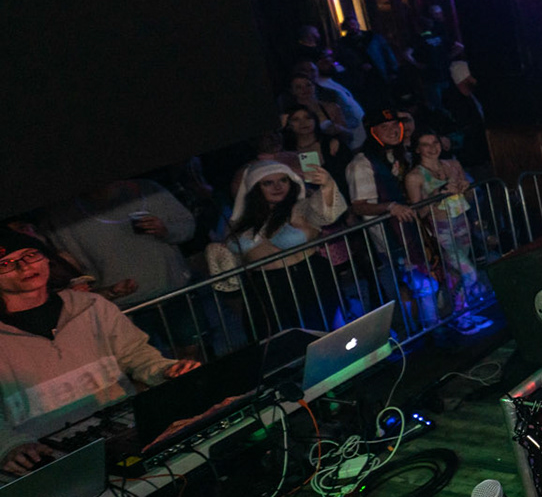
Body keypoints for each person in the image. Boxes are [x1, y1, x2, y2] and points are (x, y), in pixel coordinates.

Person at [0, 230, 201, 471]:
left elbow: (135, 354)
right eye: (6, 264)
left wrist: (166, 370)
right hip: (50, 455)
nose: (24, 267)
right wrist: (10, 445)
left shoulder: (91, 305)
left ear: (46, 258)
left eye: (30, 255)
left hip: (125, 430)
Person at [221, 161, 348, 337]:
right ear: (255, 187)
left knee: (322, 335)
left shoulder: (301, 207)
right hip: (264, 287)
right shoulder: (239, 221)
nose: (278, 187)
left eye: (283, 180)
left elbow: (327, 214)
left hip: (307, 278)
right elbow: (230, 259)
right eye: (268, 183)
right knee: (278, 342)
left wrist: (327, 184)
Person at [39, 180, 195, 309]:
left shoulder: (147, 189)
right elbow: (67, 266)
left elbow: (187, 225)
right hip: (120, 305)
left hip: (174, 292)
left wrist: (166, 231)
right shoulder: (62, 216)